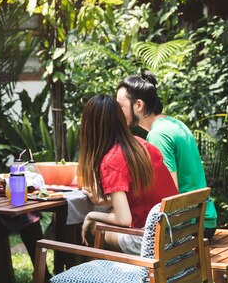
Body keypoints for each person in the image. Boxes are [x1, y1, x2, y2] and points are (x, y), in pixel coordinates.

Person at [116, 70, 218, 238]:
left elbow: (169, 196)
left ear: (139, 105)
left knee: (111, 232)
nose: (118, 112)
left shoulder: (158, 136)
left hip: (191, 226)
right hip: (203, 219)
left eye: (121, 106)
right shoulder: (173, 123)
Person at [78, 94, 178, 255]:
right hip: (177, 233)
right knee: (107, 214)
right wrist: (103, 201)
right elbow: (142, 194)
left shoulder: (111, 159)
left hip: (153, 242)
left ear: (90, 128)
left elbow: (124, 220)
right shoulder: (141, 144)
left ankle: (101, 275)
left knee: (93, 226)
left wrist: (91, 215)